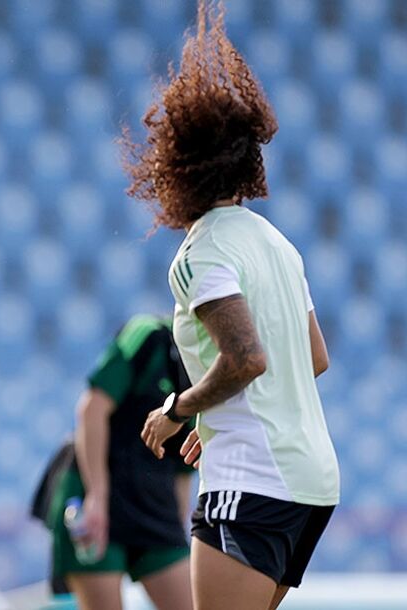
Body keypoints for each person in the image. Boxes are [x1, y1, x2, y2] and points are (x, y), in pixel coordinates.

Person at [127, 4, 340, 610]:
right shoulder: (276, 241)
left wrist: (177, 407)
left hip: (253, 479)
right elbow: (314, 358)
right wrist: (212, 417)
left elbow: (245, 357)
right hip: (311, 481)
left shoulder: (202, 253)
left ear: (173, 167)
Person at [40, 314, 195, 610]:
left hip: (154, 506)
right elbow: (91, 409)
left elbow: (182, 468)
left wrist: (177, 527)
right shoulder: (148, 335)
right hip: (101, 497)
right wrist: (97, 495)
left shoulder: (213, 373)